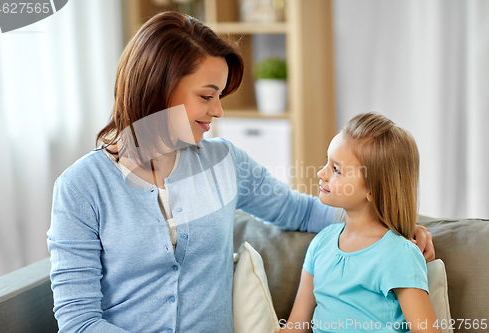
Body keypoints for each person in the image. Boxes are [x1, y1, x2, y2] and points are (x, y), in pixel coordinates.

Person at [47, 12, 434, 333]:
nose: (218, 111)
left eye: (220, 96)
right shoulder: (82, 188)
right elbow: (79, 320)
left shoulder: (224, 163)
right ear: (158, 87)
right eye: (206, 95)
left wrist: (394, 226)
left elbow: (302, 211)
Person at [281, 113, 439, 333]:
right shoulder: (320, 244)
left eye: (336, 169)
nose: (320, 173)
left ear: (373, 189)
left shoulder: (399, 254)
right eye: (327, 162)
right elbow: (296, 325)